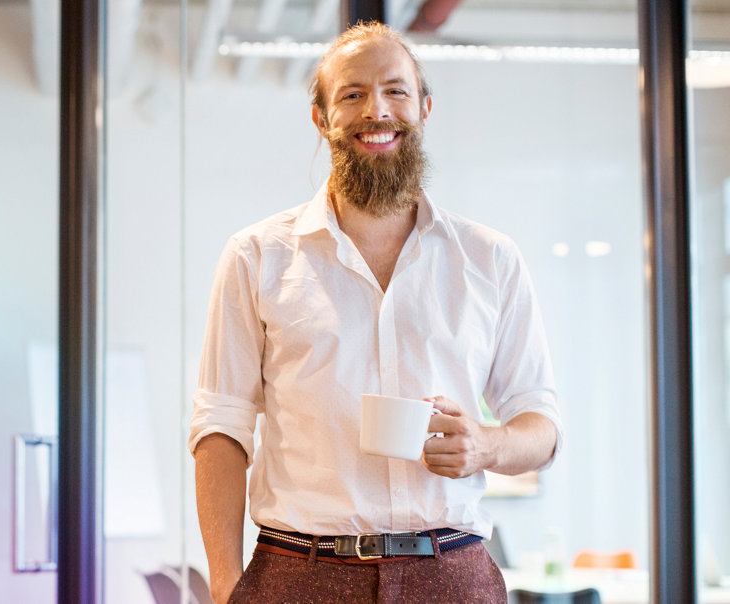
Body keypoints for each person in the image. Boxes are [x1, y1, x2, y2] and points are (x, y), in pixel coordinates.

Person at [189, 22, 563, 604]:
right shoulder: (256, 256)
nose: (377, 111)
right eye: (352, 94)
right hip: (297, 571)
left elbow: (540, 425)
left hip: (451, 574)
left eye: (395, 91)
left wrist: (485, 447)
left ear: (424, 107)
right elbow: (221, 425)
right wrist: (223, 585)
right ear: (321, 117)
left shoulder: (490, 258)